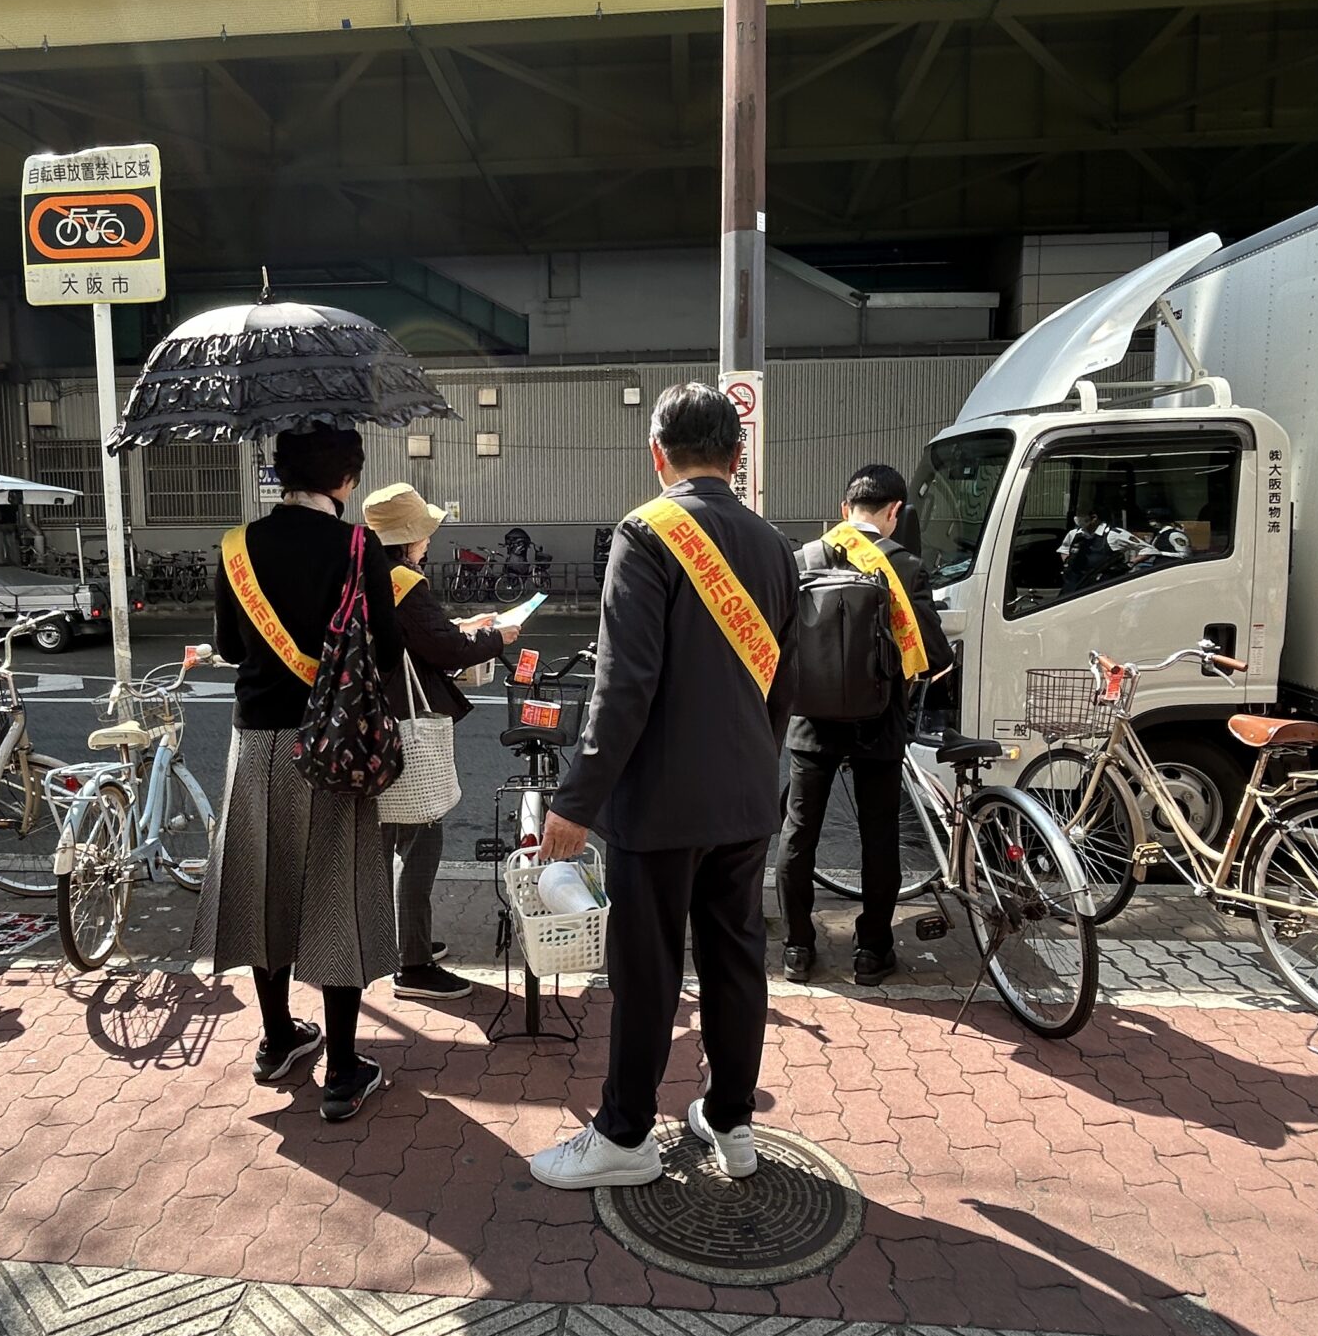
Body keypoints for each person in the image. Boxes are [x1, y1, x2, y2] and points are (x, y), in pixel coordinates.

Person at [529, 383, 799, 1189]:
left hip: (660, 804)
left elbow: (623, 685)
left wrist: (576, 802)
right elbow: (783, 686)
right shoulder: (776, 545)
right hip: (745, 798)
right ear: (738, 457)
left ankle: (624, 1136)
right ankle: (732, 1121)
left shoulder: (645, 533)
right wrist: (754, 767)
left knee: (647, 972)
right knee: (736, 962)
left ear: (657, 455)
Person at [199, 424, 406, 1121]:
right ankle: (343, 1068)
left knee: (266, 886)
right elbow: (386, 648)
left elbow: (230, 647)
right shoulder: (358, 546)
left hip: (257, 743)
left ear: (280, 476)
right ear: (344, 479)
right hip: (335, 744)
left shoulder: (236, 546)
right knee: (337, 895)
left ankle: (277, 1038)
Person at [775, 462, 956, 987]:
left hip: (811, 721)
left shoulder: (803, 560)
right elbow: (934, 653)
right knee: (879, 835)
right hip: (879, 720)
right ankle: (872, 952)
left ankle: (797, 947)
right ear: (895, 511)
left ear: (844, 509)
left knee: (798, 832)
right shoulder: (906, 566)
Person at [359, 482, 520, 1003]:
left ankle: (399, 944)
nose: (429, 541)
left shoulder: (361, 576)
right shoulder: (404, 581)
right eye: (425, 533)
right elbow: (446, 649)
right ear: (409, 538)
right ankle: (413, 966)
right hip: (405, 727)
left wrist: (461, 625)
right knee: (420, 840)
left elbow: (417, 637)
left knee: (388, 838)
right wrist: (496, 636)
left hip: (368, 725)